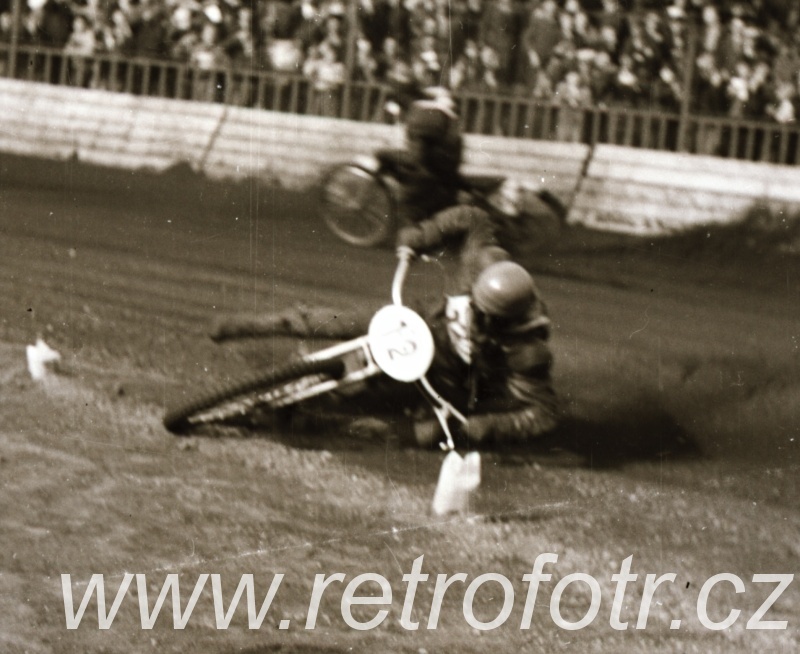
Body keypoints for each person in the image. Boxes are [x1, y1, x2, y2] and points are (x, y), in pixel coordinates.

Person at [210, 206, 559, 448]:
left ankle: (326, 425)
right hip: (425, 318)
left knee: (427, 434)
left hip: (451, 374)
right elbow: (473, 218)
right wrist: (421, 235)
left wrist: (487, 426)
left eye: (488, 319)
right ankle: (245, 325)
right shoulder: (482, 263)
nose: (475, 317)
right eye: (474, 304)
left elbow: (542, 414)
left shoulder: (528, 352)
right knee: (341, 320)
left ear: (507, 321)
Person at [374, 87, 465, 225]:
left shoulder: (427, 118)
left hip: (428, 180)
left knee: (406, 216)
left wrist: (383, 154)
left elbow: (414, 158)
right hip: (444, 179)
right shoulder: (447, 120)